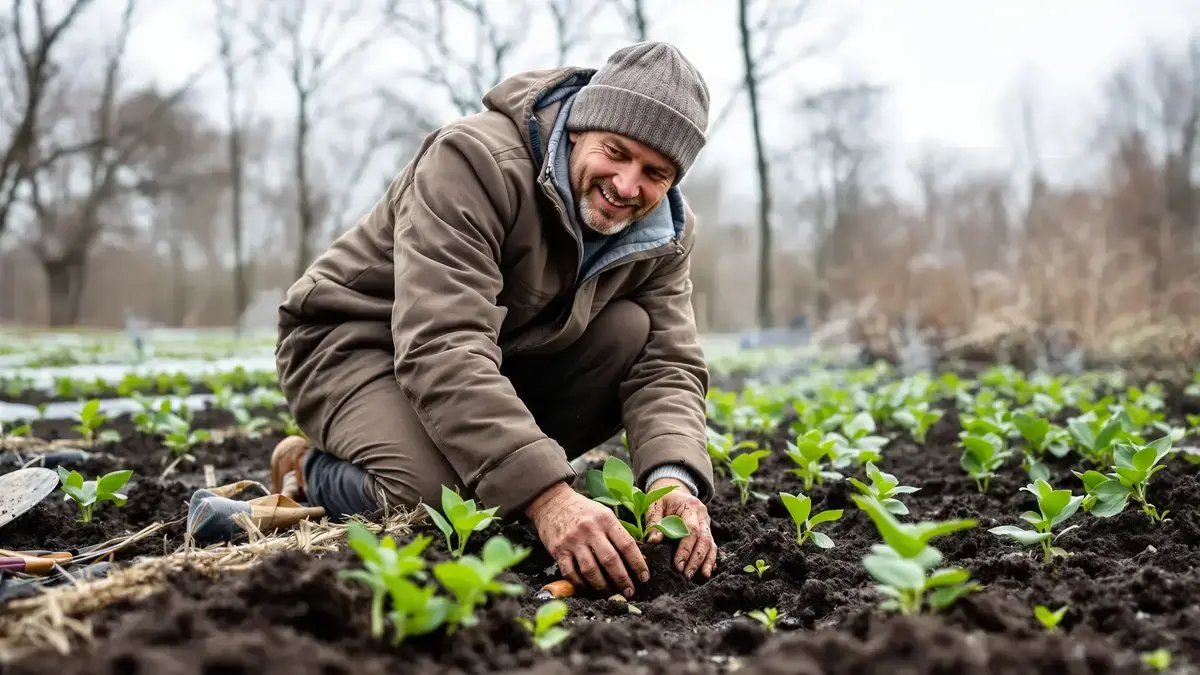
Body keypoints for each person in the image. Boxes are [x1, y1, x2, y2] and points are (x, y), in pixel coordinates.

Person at [269, 41, 716, 599]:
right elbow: (443, 342)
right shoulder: (473, 162)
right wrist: (548, 496)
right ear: (579, 127)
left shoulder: (668, 231)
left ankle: (494, 467)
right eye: (615, 151)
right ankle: (311, 470)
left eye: (656, 171)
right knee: (437, 501)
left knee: (630, 332)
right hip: (355, 342)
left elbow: (668, 363)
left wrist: (670, 480)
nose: (628, 186)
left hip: (499, 354)